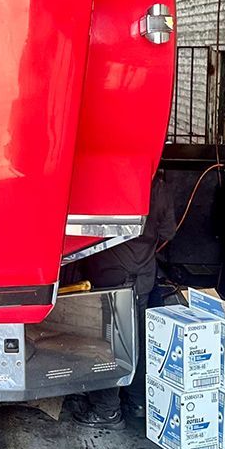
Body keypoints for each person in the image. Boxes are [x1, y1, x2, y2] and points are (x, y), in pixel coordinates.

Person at [71, 171, 177, 429]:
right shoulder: (158, 186)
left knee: (108, 346)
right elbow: (168, 232)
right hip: (140, 278)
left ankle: (107, 411)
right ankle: (137, 401)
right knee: (134, 341)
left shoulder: (101, 179)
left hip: (111, 279)